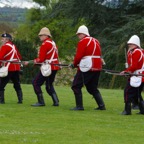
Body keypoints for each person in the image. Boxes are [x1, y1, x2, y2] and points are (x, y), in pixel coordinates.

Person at [70, 25, 106, 111]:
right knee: (92, 87)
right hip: (97, 67)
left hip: (87, 66)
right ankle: (101, 106)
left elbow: (79, 56)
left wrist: (74, 64)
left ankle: (79, 106)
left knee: (76, 85)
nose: (78, 36)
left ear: (83, 34)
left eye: (79, 34)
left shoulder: (83, 42)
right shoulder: (96, 41)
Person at [25, 27, 60, 107]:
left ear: (45, 35)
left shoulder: (45, 44)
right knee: (49, 85)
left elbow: (41, 59)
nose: (39, 37)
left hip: (48, 67)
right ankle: (56, 101)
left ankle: (41, 101)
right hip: (54, 66)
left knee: (35, 82)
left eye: (41, 35)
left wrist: (30, 62)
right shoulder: (53, 43)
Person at [120, 35, 144, 115]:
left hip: (137, 76)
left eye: (131, 44)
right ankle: (143, 110)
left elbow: (135, 66)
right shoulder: (136, 51)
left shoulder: (136, 52)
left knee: (127, 91)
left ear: (136, 44)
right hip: (138, 75)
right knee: (137, 94)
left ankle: (127, 110)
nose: (129, 45)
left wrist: (126, 71)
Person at [0, 33, 23, 104]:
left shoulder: (4, 47)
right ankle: (20, 99)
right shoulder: (13, 46)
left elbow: (0, 57)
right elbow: (19, 56)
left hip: (8, 68)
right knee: (16, 83)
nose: (1, 40)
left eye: (3, 39)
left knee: (1, 84)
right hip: (16, 68)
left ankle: (1, 100)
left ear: (7, 39)